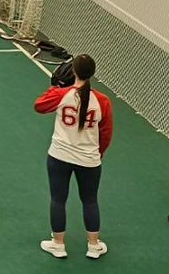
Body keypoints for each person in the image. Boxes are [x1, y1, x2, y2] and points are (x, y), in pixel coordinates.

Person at [34, 53, 113, 260]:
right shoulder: (102, 101)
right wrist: (98, 154)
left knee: (58, 199)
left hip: (59, 156)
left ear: (74, 72)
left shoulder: (62, 95)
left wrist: (55, 87)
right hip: (89, 160)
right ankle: (94, 245)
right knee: (90, 200)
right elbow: (106, 133)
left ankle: (58, 244)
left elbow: (39, 105)